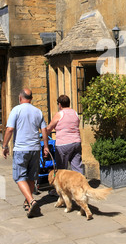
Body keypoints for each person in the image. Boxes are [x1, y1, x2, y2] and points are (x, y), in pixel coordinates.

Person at [1, 88, 49, 218]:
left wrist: (4, 146)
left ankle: (32, 201)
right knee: (32, 176)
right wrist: (45, 146)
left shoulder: (16, 110)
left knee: (19, 177)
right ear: (31, 98)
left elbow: (10, 129)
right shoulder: (38, 111)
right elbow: (44, 130)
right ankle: (28, 202)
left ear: (20, 98)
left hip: (21, 148)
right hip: (35, 148)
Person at [47, 95, 83, 174]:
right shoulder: (75, 113)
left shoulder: (60, 114)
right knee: (77, 168)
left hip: (63, 144)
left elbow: (49, 128)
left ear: (59, 104)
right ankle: (80, 184)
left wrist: (44, 135)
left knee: (62, 170)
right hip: (76, 142)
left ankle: (63, 185)